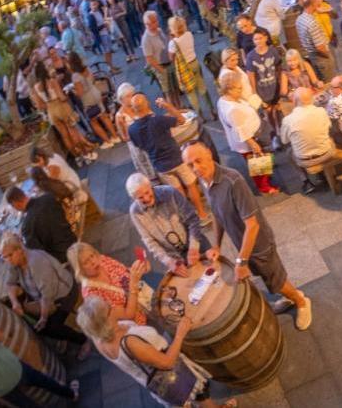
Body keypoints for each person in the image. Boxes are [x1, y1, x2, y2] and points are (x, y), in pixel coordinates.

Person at [183, 143, 313, 331]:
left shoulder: (233, 181)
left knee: (274, 279)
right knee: (270, 278)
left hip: (259, 244)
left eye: (198, 161)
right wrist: (217, 246)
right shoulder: (205, 181)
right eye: (189, 165)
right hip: (244, 244)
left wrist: (241, 262)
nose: (195, 168)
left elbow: (252, 225)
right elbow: (218, 214)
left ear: (209, 155)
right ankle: (289, 295)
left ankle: (301, 301)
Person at [77, 297, 236, 408]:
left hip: (150, 379)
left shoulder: (99, 339)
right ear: (105, 322)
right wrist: (180, 333)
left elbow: (130, 315)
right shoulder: (130, 342)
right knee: (195, 392)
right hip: (170, 372)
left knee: (196, 396)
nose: (112, 306)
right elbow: (167, 362)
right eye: (109, 308)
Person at [0, 234, 91, 353]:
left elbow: (47, 296)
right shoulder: (16, 264)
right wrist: (15, 302)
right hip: (43, 297)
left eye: (10, 255)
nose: (8, 259)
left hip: (64, 294)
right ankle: (62, 335)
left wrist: (43, 318)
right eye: (5, 257)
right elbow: (10, 283)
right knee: (27, 312)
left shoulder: (36, 263)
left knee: (48, 328)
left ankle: (83, 340)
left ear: (20, 249)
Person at [127, 93, 206, 216]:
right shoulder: (158, 120)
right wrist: (167, 105)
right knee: (191, 185)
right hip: (176, 158)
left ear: (133, 109)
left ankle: (189, 215)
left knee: (178, 192)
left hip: (160, 165)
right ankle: (202, 214)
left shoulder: (132, 129)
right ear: (147, 103)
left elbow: (139, 146)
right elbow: (181, 119)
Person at [126, 174, 217, 276]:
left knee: (215, 275)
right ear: (133, 198)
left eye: (147, 192)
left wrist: (193, 248)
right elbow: (149, 241)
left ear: (150, 186)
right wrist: (168, 261)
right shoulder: (135, 212)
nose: (146, 198)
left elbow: (192, 219)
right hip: (175, 258)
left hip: (196, 242)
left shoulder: (170, 193)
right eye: (140, 197)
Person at [217, 72, 277, 195]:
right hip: (251, 140)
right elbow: (241, 130)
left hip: (255, 133)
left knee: (262, 162)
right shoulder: (232, 109)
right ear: (229, 89)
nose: (241, 89)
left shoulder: (225, 99)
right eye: (239, 88)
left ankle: (266, 178)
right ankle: (264, 187)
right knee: (258, 164)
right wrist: (253, 145)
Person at [67, 242, 150, 326]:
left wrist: (139, 269)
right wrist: (133, 284)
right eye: (86, 262)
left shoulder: (102, 260)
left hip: (145, 298)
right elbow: (128, 315)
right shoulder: (92, 295)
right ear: (80, 270)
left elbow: (125, 272)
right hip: (138, 322)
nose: (93, 262)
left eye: (92, 256)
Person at [280, 88, 335, 194]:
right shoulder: (321, 111)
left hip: (305, 160)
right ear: (312, 99)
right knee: (328, 137)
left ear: (294, 101)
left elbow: (284, 141)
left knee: (289, 152)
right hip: (327, 153)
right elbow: (329, 126)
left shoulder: (288, 120)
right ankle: (322, 175)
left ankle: (305, 181)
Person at [5, 185, 76, 264]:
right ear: (23, 193)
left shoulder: (27, 227)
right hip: (72, 239)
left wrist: (22, 243)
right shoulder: (49, 196)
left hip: (62, 257)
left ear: (15, 203)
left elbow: (38, 255)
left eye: (12, 206)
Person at [246, 28, 287, 149]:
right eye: (255, 39)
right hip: (263, 92)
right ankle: (276, 136)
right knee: (269, 115)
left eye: (260, 38)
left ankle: (283, 134)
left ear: (265, 38)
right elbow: (251, 76)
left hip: (275, 88)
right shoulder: (251, 57)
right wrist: (255, 93)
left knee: (279, 112)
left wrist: (282, 84)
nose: (258, 41)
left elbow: (279, 68)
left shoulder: (273, 51)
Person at [68, 53, 118, 147]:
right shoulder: (86, 69)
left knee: (93, 121)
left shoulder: (75, 76)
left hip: (87, 98)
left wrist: (73, 91)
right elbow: (93, 79)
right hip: (95, 92)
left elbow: (80, 92)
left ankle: (108, 141)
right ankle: (115, 137)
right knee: (104, 116)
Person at [115, 83, 158, 180]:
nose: (132, 97)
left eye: (132, 94)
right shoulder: (120, 116)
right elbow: (124, 138)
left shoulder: (139, 105)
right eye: (128, 96)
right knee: (145, 164)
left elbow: (152, 116)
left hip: (150, 139)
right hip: (136, 144)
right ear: (121, 99)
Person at [141, 10, 179, 105]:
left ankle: (180, 106)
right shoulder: (146, 39)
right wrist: (162, 70)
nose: (155, 24)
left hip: (169, 63)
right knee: (168, 92)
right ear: (146, 24)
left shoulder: (159, 30)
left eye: (155, 21)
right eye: (152, 23)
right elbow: (149, 59)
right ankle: (174, 110)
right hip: (161, 67)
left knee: (175, 88)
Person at [296, 0, 337, 81]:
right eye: (316, 4)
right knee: (330, 82)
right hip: (321, 57)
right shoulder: (312, 23)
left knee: (322, 79)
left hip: (312, 56)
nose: (317, 6)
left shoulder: (299, 19)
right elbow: (320, 47)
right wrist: (328, 55)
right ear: (312, 5)